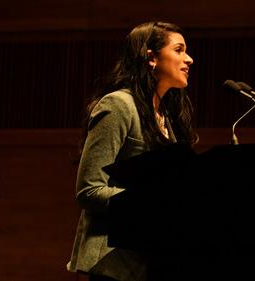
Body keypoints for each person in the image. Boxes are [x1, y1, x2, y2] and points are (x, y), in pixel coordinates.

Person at [67, 21, 197, 281]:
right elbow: (89, 190)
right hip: (113, 262)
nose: (189, 59)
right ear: (151, 57)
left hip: (150, 260)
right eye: (179, 50)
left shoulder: (168, 119)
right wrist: (154, 203)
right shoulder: (118, 106)